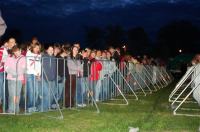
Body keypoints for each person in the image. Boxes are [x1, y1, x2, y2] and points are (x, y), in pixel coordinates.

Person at [4, 46, 26, 113]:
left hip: (19, 79)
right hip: (11, 78)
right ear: (13, 52)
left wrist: (17, 73)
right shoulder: (9, 58)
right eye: (15, 51)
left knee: (17, 94)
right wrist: (13, 73)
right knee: (12, 94)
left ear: (20, 50)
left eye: (18, 51)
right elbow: (6, 67)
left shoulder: (23, 58)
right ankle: (11, 109)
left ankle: (16, 109)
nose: (17, 52)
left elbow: (24, 68)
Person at [26, 42, 42, 112]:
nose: (37, 49)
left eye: (38, 48)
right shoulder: (28, 53)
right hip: (30, 74)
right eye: (35, 47)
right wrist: (36, 73)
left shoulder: (39, 55)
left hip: (36, 74)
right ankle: (30, 107)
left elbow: (39, 66)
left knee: (36, 91)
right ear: (33, 47)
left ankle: (34, 106)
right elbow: (28, 65)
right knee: (31, 91)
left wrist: (39, 74)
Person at [40, 46, 57, 111]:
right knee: (47, 93)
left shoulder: (53, 58)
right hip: (45, 78)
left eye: (52, 50)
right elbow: (43, 68)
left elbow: (54, 68)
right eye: (50, 49)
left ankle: (48, 106)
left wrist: (55, 76)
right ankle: (43, 108)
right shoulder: (44, 57)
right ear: (47, 50)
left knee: (53, 93)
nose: (51, 51)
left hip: (53, 78)